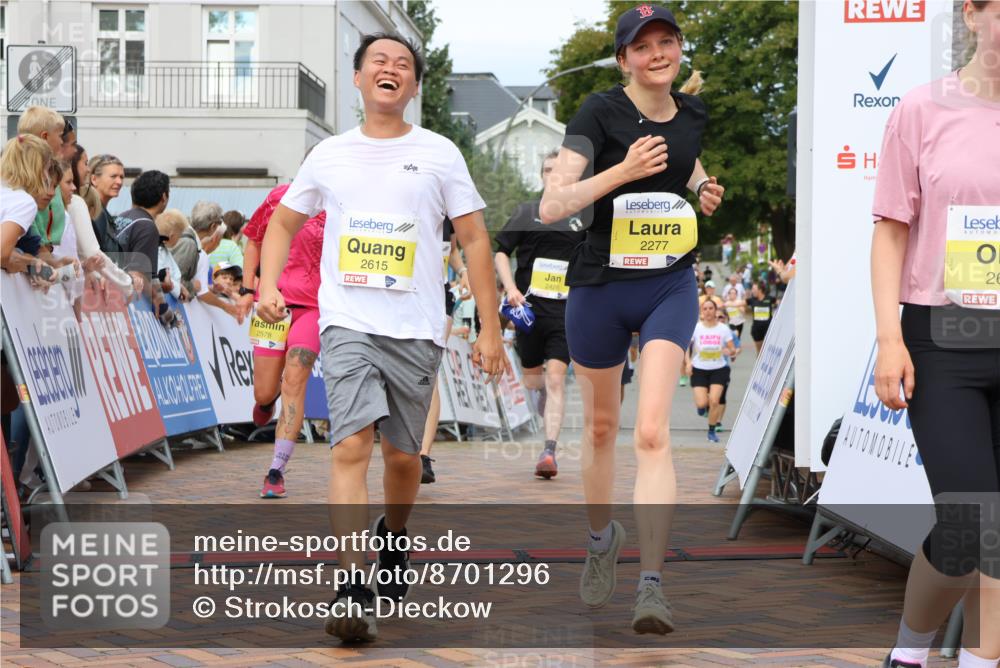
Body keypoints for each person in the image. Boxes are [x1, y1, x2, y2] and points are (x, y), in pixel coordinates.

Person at [256, 32, 508, 642]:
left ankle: (393, 539)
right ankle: (351, 586)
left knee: (402, 457)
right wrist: (268, 285)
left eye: (403, 65)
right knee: (349, 448)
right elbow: (283, 222)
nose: (390, 70)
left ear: (414, 85)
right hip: (347, 323)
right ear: (359, 79)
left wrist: (490, 327)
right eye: (379, 62)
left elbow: (475, 240)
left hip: (416, 327)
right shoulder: (329, 155)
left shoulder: (441, 153)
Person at [539, 5, 724, 634]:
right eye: (642, 47)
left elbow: (686, 160)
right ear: (624, 59)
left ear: (678, 50)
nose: (657, 54)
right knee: (598, 431)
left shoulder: (694, 112)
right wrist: (621, 171)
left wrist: (702, 189)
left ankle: (652, 585)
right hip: (600, 286)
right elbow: (552, 203)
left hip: (670, 284)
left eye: (666, 42)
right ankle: (600, 541)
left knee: (650, 433)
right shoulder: (597, 111)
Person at [871, 2, 999, 666]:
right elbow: (891, 230)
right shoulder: (922, 110)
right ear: (973, 15)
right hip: (944, 337)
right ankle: (910, 649)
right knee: (968, 524)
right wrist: (890, 339)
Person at [494, 150, 586, 479]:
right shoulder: (526, 212)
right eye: (547, 169)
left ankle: (549, 450)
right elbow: (501, 252)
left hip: (565, 312)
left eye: (559, 170)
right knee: (534, 381)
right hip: (528, 312)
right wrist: (509, 289)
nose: (553, 175)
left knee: (556, 379)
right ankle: (544, 395)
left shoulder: (582, 216)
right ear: (541, 175)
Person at [242, 182, 326, 499]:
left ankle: (276, 471)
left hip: (315, 308)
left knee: (295, 376)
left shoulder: (344, 203)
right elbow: (253, 241)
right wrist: (251, 290)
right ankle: (265, 402)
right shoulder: (280, 196)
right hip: (273, 303)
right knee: (265, 390)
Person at [418, 217, 471, 484]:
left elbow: (450, 250)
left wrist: (462, 272)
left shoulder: (447, 208)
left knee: (430, 371)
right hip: (397, 295)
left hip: (438, 299)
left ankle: (423, 456)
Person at [685, 299, 735, 443]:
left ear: (715, 310)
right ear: (701, 312)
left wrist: (729, 350)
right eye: (705, 309)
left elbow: (732, 349)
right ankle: (702, 408)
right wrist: (688, 363)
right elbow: (686, 347)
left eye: (710, 308)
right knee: (702, 404)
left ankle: (711, 431)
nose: (708, 311)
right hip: (699, 369)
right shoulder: (696, 328)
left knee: (714, 401)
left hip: (719, 369)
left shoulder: (723, 329)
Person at [746, 281, 774, 354]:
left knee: (769, 351)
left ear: (760, 290)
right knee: (760, 352)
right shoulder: (751, 300)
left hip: (769, 329)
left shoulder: (770, 299)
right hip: (757, 330)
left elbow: (780, 303)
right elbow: (739, 303)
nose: (752, 291)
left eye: (753, 289)